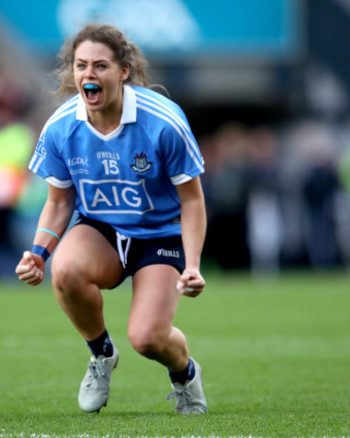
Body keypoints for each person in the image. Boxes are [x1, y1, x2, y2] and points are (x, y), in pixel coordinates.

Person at [15, 23, 208, 415]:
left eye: (100, 66)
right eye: (81, 65)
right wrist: (38, 252)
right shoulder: (61, 127)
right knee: (65, 272)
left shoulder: (164, 123)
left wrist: (191, 266)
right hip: (102, 229)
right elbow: (58, 201)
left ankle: (185, 373)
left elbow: (192, 201)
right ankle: (101, 354)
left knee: (147, 338)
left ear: (124, 70)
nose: (89, 74)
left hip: (160, 233)